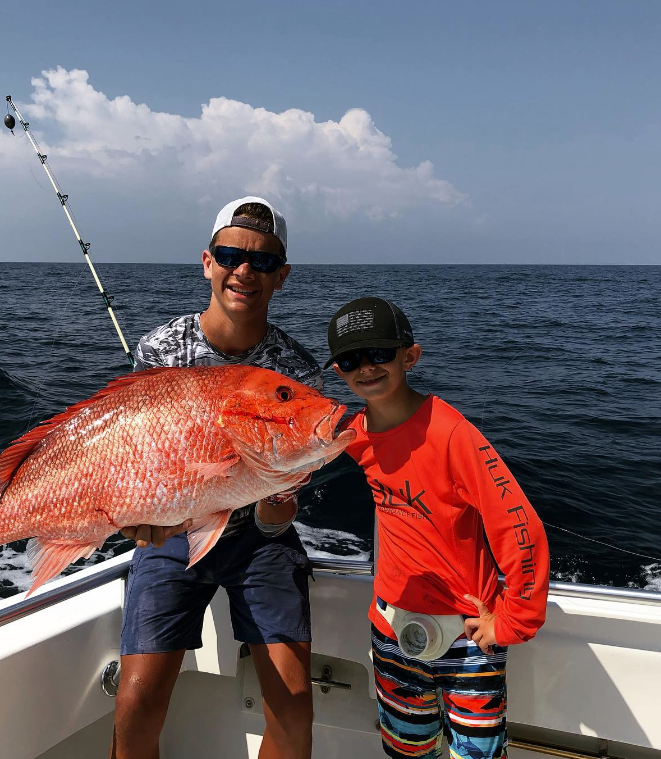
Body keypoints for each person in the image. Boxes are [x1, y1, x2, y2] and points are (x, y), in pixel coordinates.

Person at [110, 197, 322, 759]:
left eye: (263, 261)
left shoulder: (294, 371)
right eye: (230, 254)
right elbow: (137, 459)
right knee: (133, 707)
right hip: (174, 532)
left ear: (283, 276)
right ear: (208, 261)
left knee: (295, 704)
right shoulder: (160, 349)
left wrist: (278, 507)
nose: (244, 270)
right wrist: (141, 515)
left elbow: (278, 508)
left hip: (258, 540)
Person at [325, 296, 549, 759]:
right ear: (338, 371)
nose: (365, 368)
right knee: (407, 750)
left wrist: (514, 620)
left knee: (478, 755)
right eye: (350, 360)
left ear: (410, 356)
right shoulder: (353, 435)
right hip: (391, 628)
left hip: (468, 637)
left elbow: (519, 524)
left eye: (379, 355)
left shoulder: (451, 433)